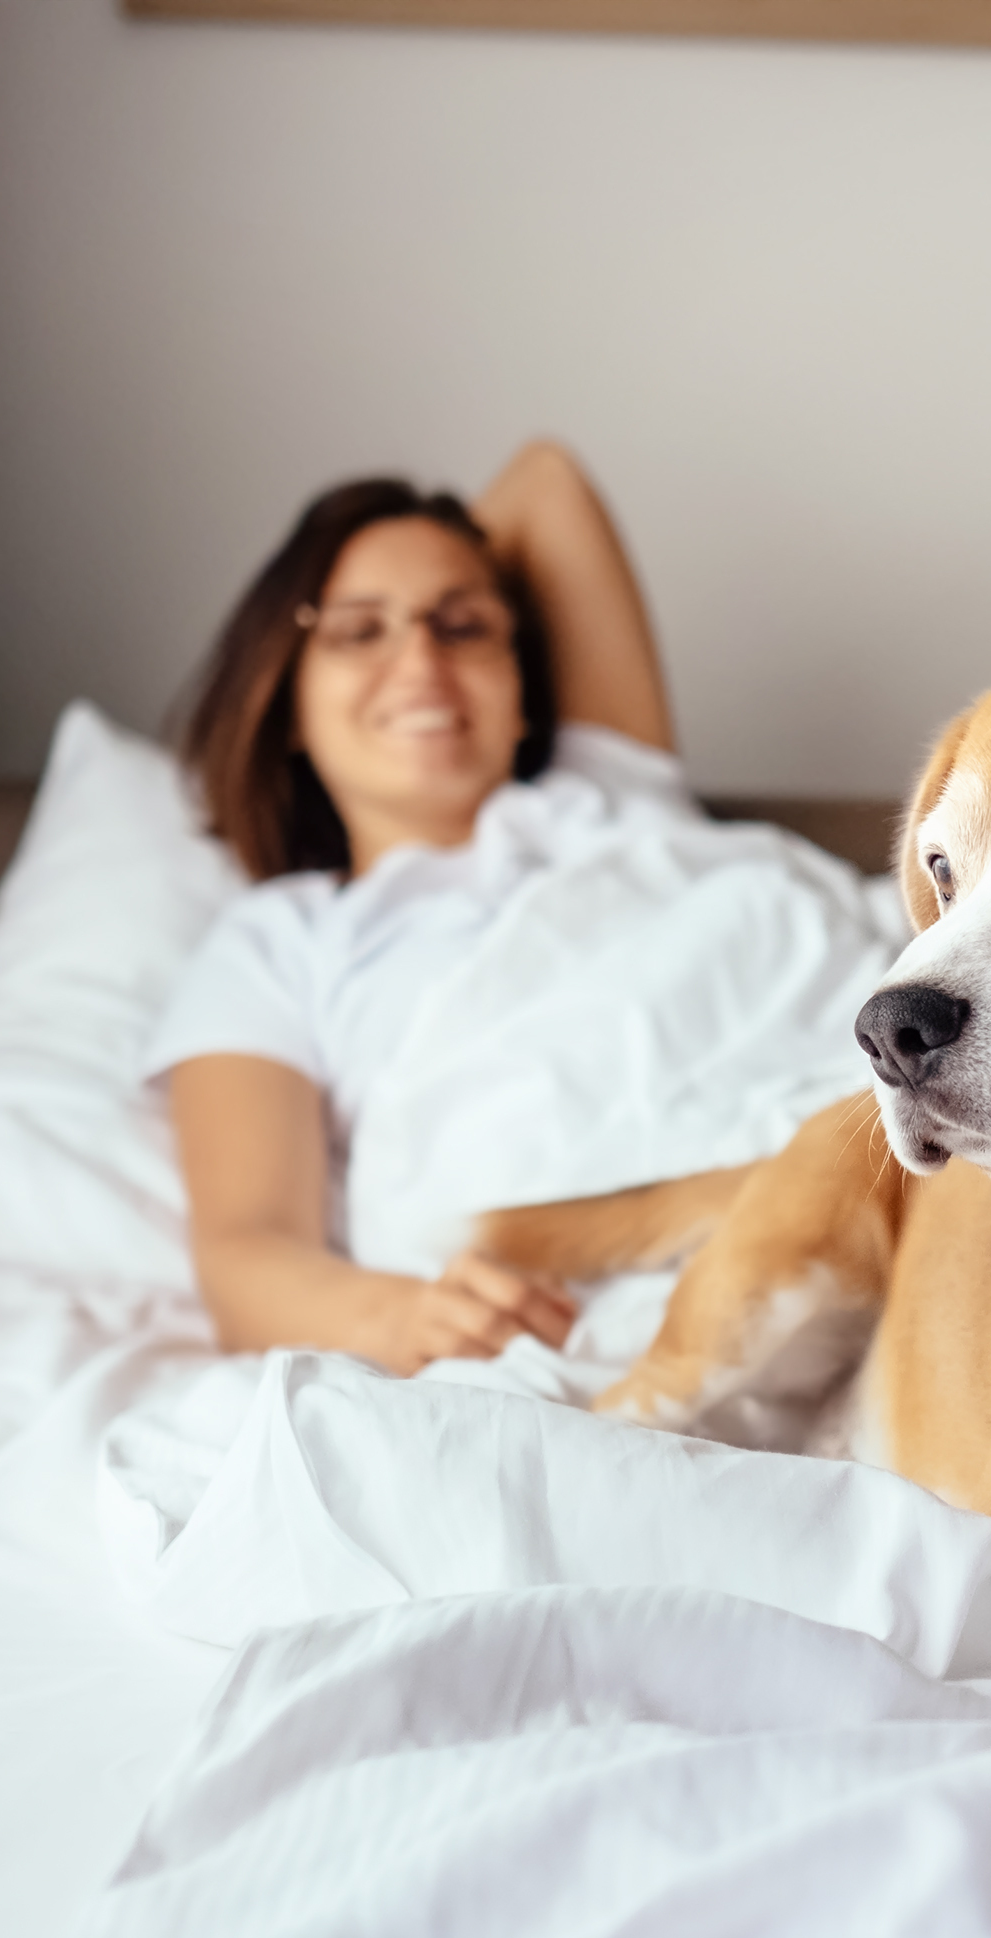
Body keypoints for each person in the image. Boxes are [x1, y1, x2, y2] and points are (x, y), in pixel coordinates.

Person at [149, 440, 685, 1375]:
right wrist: (408, 1318)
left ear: (524, 692)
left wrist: (418, 565)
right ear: (290, 706)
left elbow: (546, 480)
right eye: (360, 633)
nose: (421, 659)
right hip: (578, 1299)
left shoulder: (613, 797)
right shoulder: (281, 941)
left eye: (463, 626)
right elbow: (246, 1253)